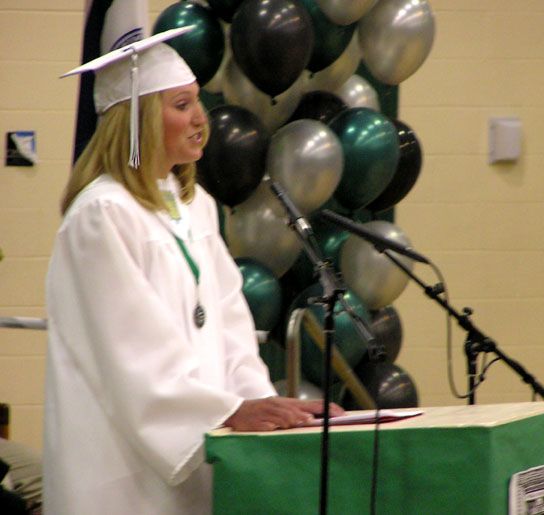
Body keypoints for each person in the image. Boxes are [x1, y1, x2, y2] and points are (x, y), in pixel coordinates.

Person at [44, 27, 343, 515]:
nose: (201, 119)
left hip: (199, 446)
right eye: (181, 105)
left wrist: (260, 405)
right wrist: (227, 412)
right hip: (124, 466)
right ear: (137, 121)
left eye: (198, 102)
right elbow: (131, 350)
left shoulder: (194, 205)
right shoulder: (103, 214)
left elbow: (229, 324)